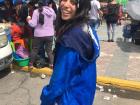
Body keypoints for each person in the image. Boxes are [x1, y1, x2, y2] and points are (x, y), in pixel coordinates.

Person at [40, 0, 100, 105]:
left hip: (69, 100)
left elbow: (58, 82)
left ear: (82, 6)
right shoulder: (87, 27)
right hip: (84, 96)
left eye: (73, 1)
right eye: (63, 0)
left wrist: (45, 99)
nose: (65, 5)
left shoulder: (71, 38)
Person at [27, 0, 56, 68]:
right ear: (46, 4)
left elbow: (33, 24)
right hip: (49, 34)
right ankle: (51, 64)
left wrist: (28, 20)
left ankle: (31, 64)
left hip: (38, 35)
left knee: (35, 49)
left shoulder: (36, 11)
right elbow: (54, 18)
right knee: (49, 51)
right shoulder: (51, 11)